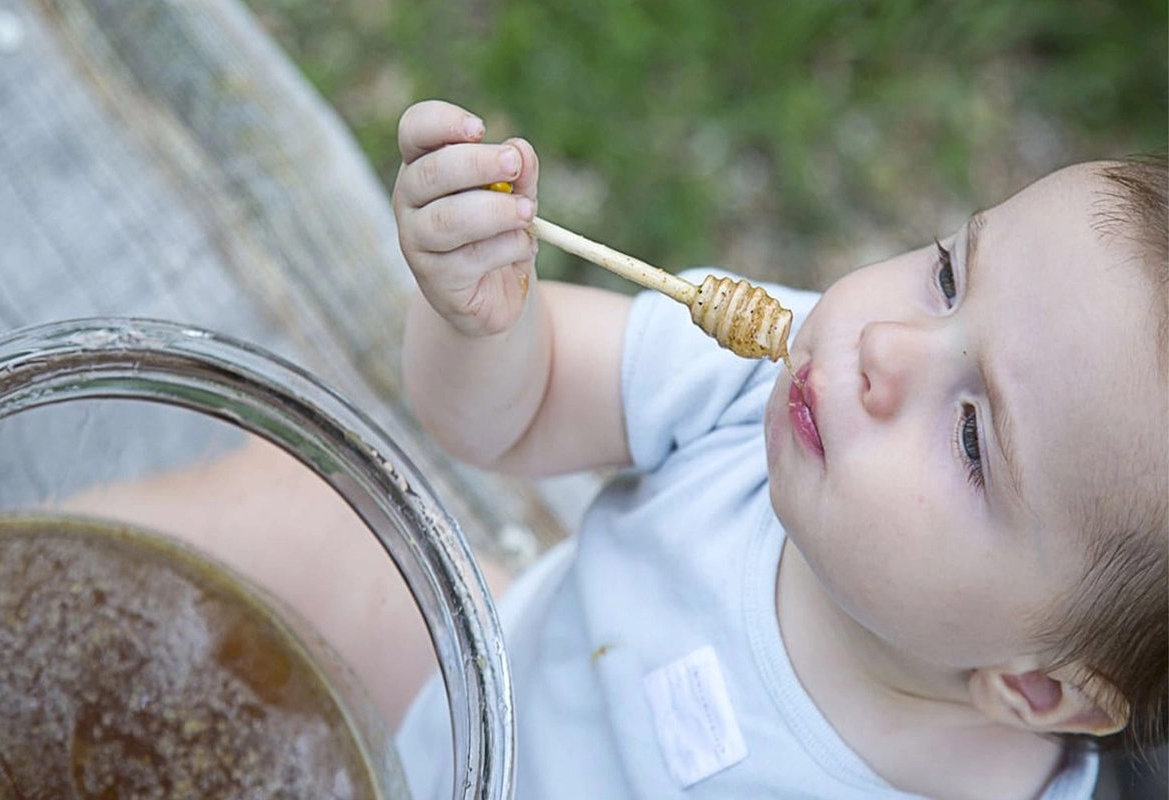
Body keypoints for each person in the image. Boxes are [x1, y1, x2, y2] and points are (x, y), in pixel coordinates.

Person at [389, 98, 1168, 799]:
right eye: (947, 279)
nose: (885, 345)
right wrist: (481, 320)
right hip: (465, 694)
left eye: (971, 436)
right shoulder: (763, 378)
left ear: (1036, 690)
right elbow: (521, 407)